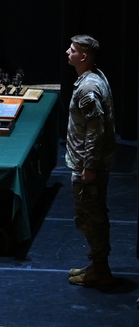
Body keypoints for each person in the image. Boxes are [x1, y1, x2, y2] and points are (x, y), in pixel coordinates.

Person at [65, 34, 117, 287]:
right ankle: (97, 264)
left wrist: (88, 167)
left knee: (90, 217)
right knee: (91, 214)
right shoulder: (94, 77)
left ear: (83, 57)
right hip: (89, 162)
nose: (68, 52)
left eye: (72, 50)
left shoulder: (88, 88)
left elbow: (95, 131)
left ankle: (100, 269)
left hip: (88, 165)